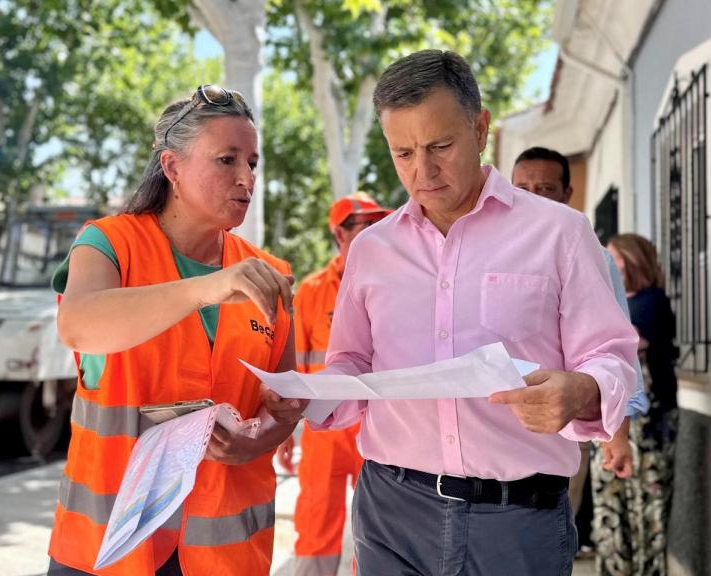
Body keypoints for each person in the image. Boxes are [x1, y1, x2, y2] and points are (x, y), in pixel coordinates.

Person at [267, 49, 640, 576]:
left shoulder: (561, 233)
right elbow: (350, 362)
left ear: (480, 127)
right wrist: (305, 401)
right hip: (392, 513)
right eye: (403, 153)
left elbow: (615, 358)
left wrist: (581, 391)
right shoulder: (372, 250)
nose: (423, 171)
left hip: (517, 522)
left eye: (441, 145)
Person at [46, 84, 303, 576]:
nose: (245, 178)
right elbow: (78, 326)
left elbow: (285, 400)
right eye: (227, 160)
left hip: (226, 556)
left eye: (252, 163)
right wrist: (204, 289)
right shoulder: (108, 244)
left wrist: (266, 434)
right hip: (110, 551)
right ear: (172, 167)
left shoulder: (268, 273)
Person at [512, 146, 650, 555]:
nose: (533, 196)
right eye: (522, 187)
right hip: (495, 432)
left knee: (545, 543)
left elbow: (615, 354)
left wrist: (617, 437)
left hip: (563, 431)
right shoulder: (488, 247)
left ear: (568, 192)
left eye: (546, 188)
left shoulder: (588, 253)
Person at [285, 193, 390, 576]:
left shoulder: (395, 286)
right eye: (366, 226)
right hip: (323, 432)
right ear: (339, 234)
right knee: (315, 526)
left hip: (377, 430)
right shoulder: (311, 291)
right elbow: (294, 365)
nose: (378, 233)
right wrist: (285, 431)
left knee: (379, 530)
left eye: (380, 224)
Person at [594, 233, 680, 576]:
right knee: (611, 509)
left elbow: (625, 342)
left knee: (648, 510)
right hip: (612, 420)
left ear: (633, 261)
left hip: (649, 425)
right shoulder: (617, 305)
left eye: (615, 259)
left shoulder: (650, 301)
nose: (610, 267)